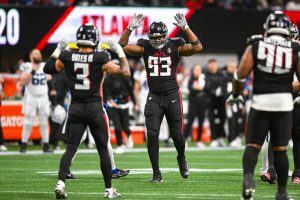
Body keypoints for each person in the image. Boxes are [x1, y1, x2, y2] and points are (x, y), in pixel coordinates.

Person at [44, 23, 130, 199]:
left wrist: (58, 48)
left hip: (75, 108)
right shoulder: (101, 56)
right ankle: (108, 190)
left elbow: (48, 68)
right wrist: (120, 52)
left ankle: (60, 183)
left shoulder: (68, 55)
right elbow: (125, 72)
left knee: (70, 148)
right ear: (94, 39)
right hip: (94, 108)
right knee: (103, 150)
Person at [119, 13, 203, 182]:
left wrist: (186, 27)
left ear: (166, 36)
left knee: (177, 135)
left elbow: (197, 47)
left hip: (172, 95)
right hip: (154, 96)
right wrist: (129, 28)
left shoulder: (175, 45)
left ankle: (181, 158)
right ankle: (156, 173)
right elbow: (122, 45)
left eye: (160, 37)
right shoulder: (145, 46)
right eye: (154, 37)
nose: (157, 40)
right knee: (152, 134)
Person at [227, 11, 300, 200]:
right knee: (281, 151)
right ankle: (282, 193)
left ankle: (249, 180)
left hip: (262, 101)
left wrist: (235, 95)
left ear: (268, 27)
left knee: (252, 146)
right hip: (284, 104)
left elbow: (240, 74)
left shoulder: (257, 43)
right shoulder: (294, 48)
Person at [19, 49, 53, 153]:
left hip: (43, 96)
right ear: (31, 56)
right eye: (35, 54)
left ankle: (46, 145)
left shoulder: (44, 65)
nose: (38, 55)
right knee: (28, 121)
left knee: (44, 121)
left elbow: (50, 77)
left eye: (39, 53)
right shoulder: (26, 65)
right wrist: (33, 71)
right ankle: (23, 144)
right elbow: (23, 81)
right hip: (31, 96)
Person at [104, 61, 136, 154]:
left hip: (124, 104)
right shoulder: (107, 79)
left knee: (125, 127)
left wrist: (135, 103)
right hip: (113, 105)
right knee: (117, 127)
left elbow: (130, 91)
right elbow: (106, 93)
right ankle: (120, 144)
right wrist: (110, 100)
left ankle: (129, 137)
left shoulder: (125, 78)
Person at [183, 64, 207, 149]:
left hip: (202, 103)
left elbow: (206, 88)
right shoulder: (191, 79)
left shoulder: (204, 78)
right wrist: (198, 88)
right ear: (193, 71)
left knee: (201, 122)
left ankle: (199, 141)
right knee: (190, 121)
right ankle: (184, 140)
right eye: (196, 70)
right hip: (193, 102)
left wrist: (198, 88)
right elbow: (191, 89)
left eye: (199, 69)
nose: (197, 71)